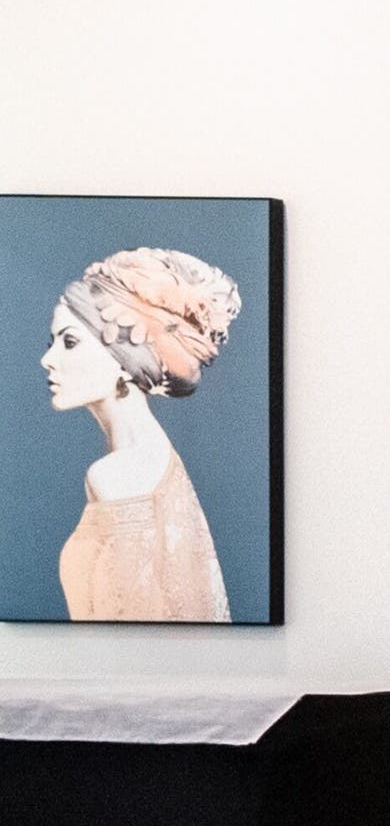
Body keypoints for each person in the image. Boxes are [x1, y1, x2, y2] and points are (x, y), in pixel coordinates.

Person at [39, 246, 242, 622]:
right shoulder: (156, 456)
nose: (47, 360)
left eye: (69, 341)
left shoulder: (115, 474)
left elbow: (131, 621)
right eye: (51, 343)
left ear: (123, 359)